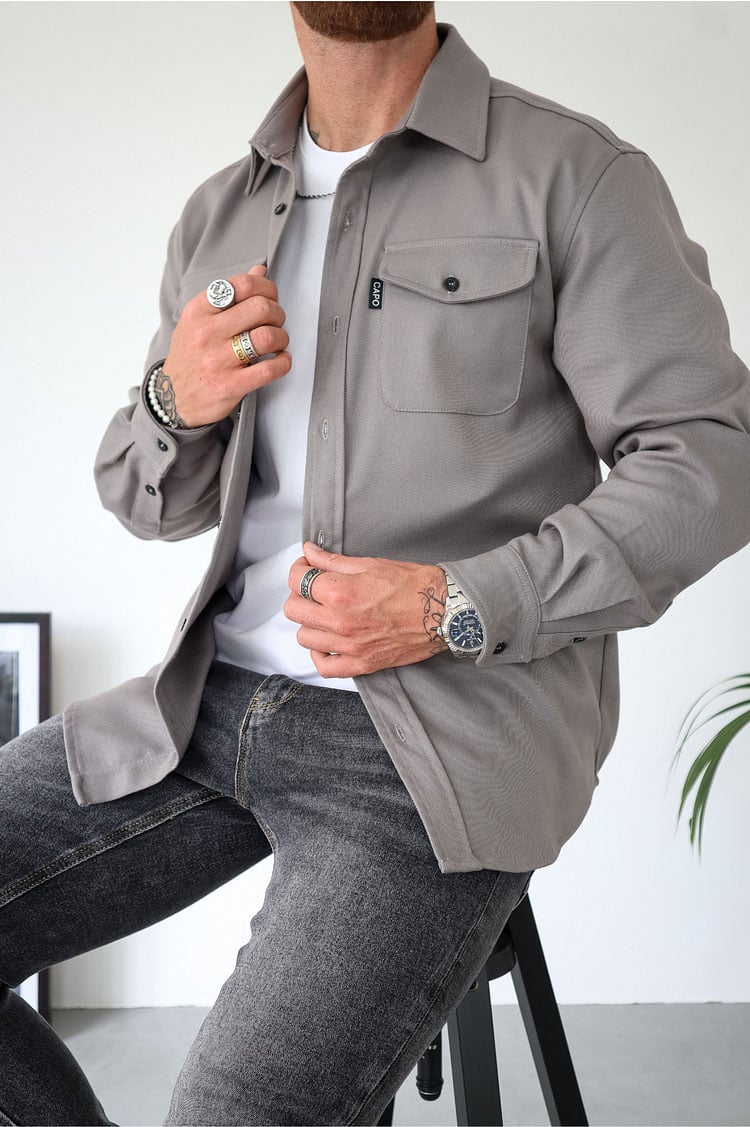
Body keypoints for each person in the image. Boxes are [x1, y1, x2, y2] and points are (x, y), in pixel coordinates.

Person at [1, 2, 749, 1123]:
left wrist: (459, 601)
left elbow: (712, 460)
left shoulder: (577, 177)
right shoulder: (220, 212)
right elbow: (146, 498)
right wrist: (174, 399)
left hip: (431, 747)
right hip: (201, 709)